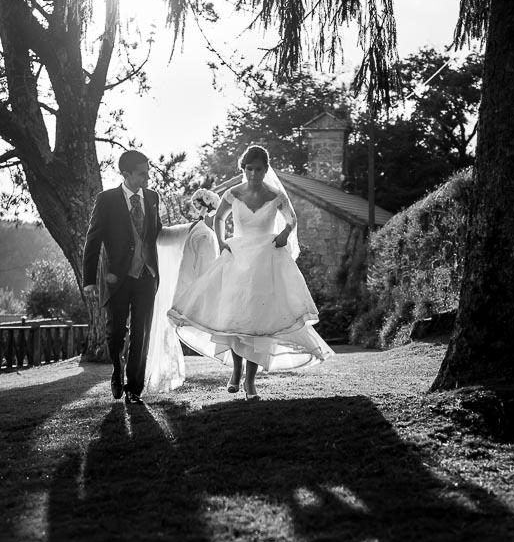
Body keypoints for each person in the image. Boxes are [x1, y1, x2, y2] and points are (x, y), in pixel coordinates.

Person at [168, 145, 333, 400]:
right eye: (249, 169)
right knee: (236, 319)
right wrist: (222, 242)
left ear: (265, 169)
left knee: (257, 321)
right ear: (243, 169)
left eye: (258, 169)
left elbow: (292, 220)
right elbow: (219, 218)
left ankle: (250, 381)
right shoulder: (233, 193)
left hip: (266, 259)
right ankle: (235, 371)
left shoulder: (276, 195)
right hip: (238, 258)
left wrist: (284, 234)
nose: (253, 174)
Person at [82, 150, 162, 405]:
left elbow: (157, 232)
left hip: (146, 276)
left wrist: (190, 232)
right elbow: (93, 239)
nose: (148, 177)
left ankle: (134, 389)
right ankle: (117, 369)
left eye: (148, 172)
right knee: (116, 332)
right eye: (142, 173)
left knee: (142, 332)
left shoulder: (152, 198)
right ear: (126, 174)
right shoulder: (106, 200)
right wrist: (89, 280)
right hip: (116, 277)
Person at [143, 188, 220, 393]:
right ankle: (162, 373)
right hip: (187, 289)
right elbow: (165, 235)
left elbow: (206, 268)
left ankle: (164, 373)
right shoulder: (201, 231)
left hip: (187, 289)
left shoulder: (201, 232)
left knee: (168, 325)